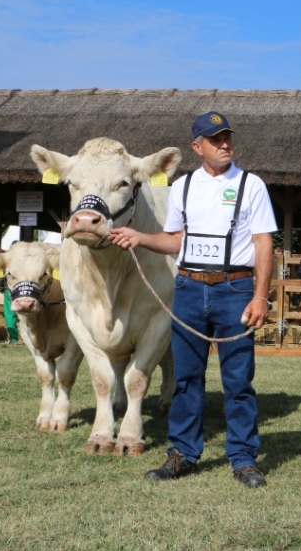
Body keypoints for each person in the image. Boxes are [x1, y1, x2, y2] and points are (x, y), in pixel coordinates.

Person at [109, 111, 277, 488]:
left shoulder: (251, 185)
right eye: (215, 139)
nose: (225, 144)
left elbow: (263, 243)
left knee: (238, 379)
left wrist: (261, 296)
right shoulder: (183, 187)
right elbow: (175, 240)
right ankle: (182, 453)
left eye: (227, 137)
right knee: (186, 378)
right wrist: (139, 237)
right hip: (187, 288)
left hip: (235, 289)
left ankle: (243, 458)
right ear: (197, 146)